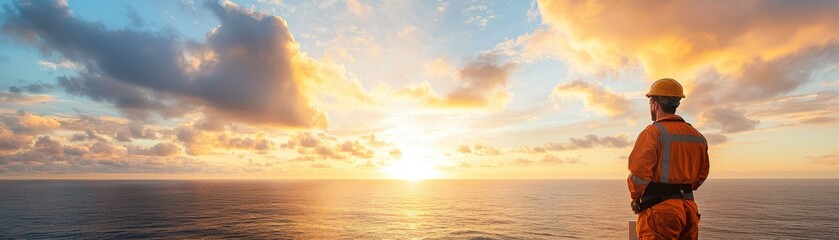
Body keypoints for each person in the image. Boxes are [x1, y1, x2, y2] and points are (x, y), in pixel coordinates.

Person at [627, 78, 710, 239]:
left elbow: (639, 173)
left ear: (655, 104)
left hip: (660, 212)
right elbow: (702, 175)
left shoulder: (653, 133)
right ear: (676, 103)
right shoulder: (698, 136)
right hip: (688, 208)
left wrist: (636, 197)